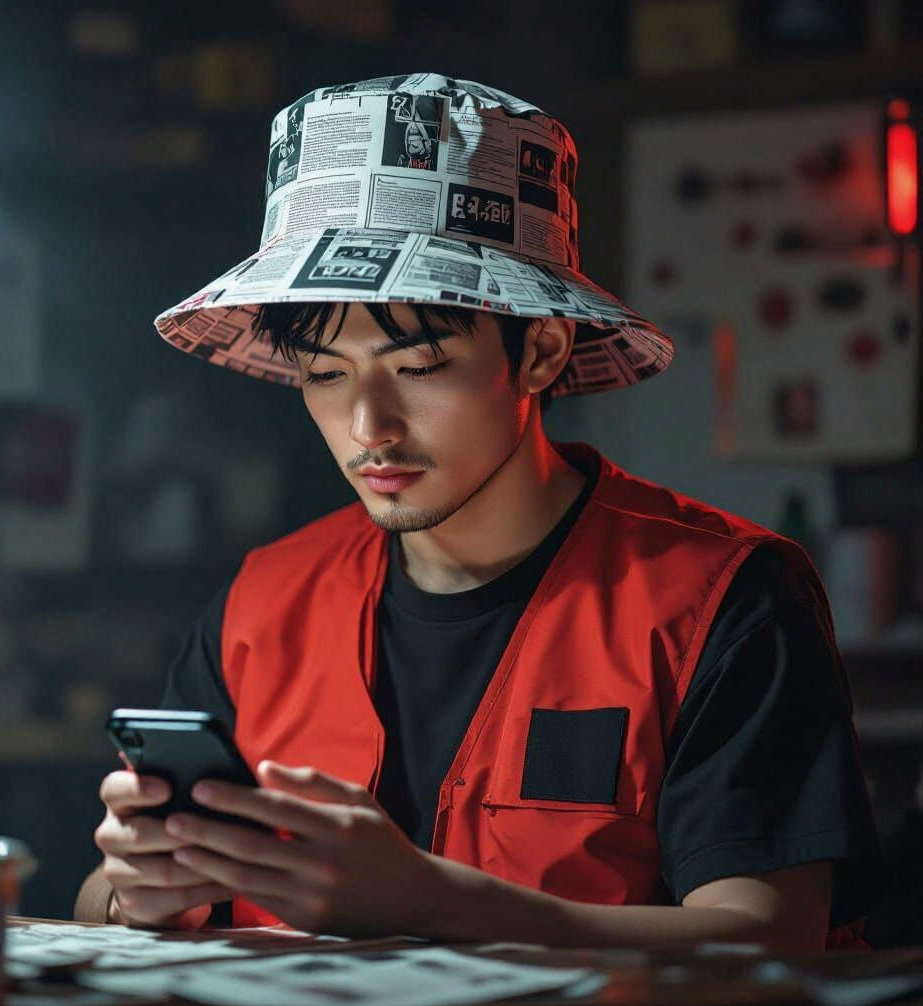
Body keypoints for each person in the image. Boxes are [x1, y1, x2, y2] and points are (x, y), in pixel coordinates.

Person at [75, 74, 886, 950]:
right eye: (324, 374)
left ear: (538, 351)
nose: (367, 427)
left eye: (417, 367)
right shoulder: (264, 604)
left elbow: (769, 938)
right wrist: (140, 895)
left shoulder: (719, 598)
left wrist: (435, 904)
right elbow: (98, 899)